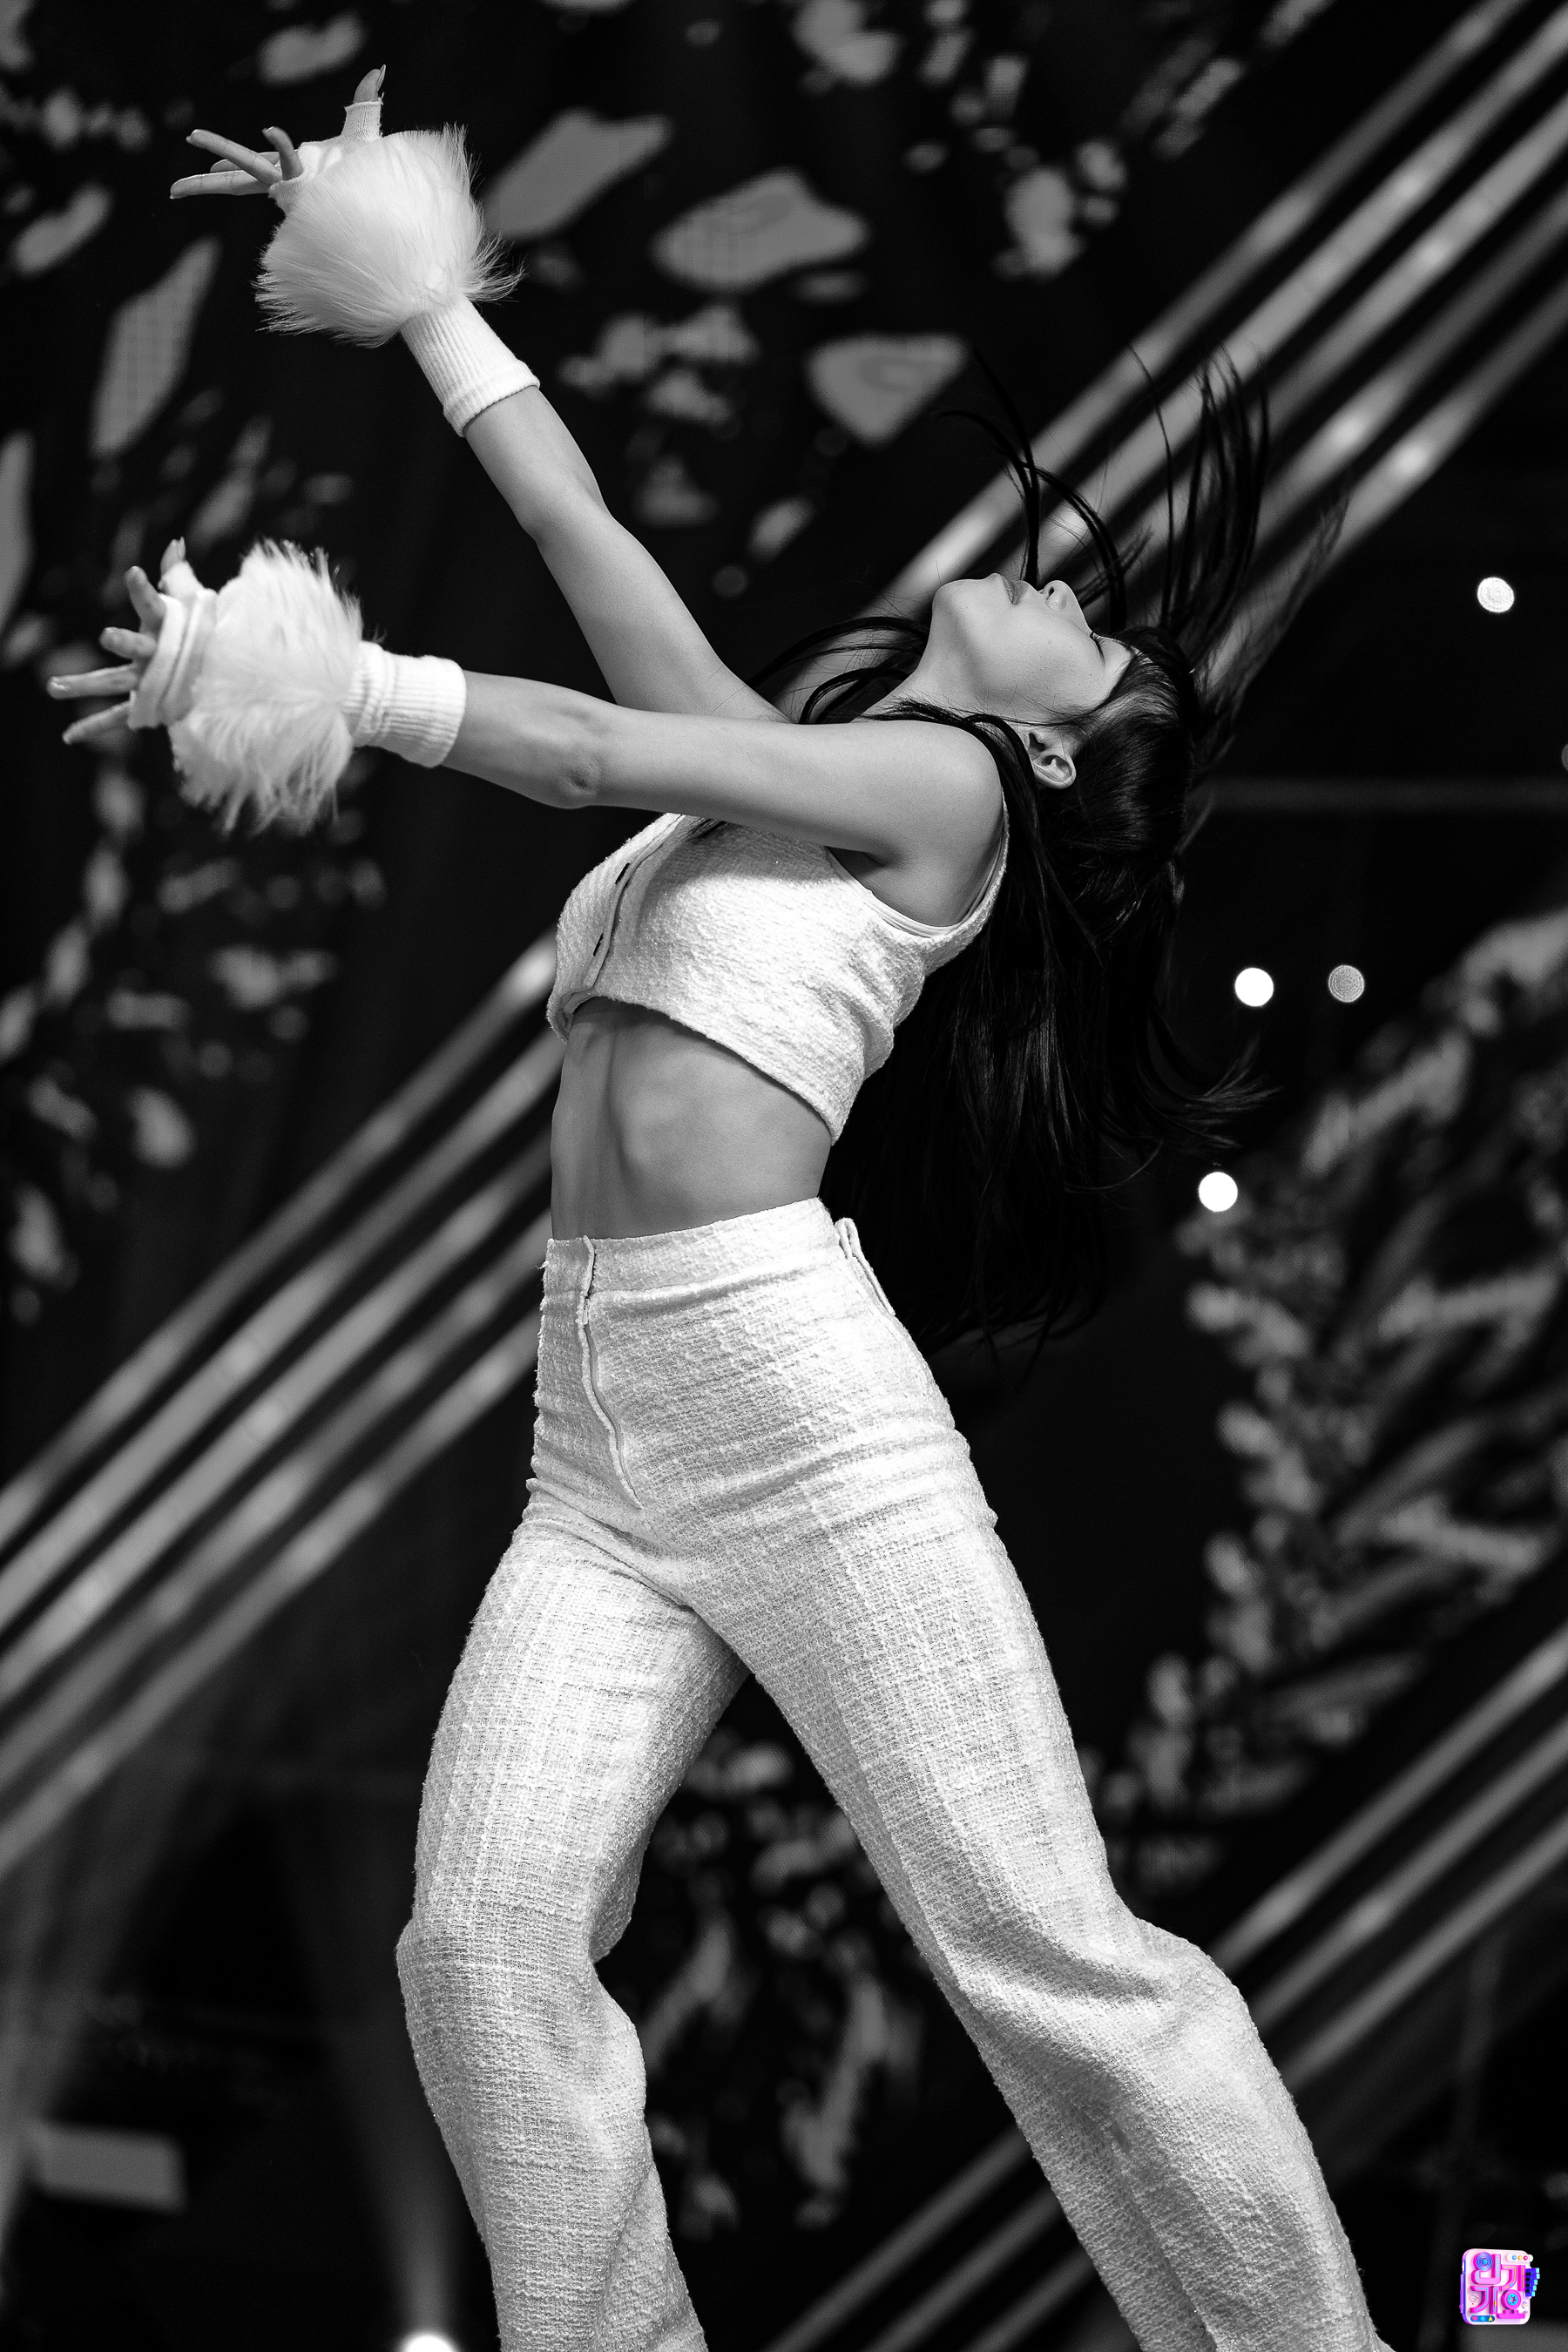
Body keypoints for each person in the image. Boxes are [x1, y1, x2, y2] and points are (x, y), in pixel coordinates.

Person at [51, 74, 1392, 2352]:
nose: (1058, 586)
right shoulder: (791, 772)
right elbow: (582, 533)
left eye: (1091, 636)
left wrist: (311, 680)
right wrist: (418, 290)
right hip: (602, 1419)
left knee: (1050, 1954)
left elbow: (583, 753)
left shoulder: (952, 793)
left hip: (791, 1398)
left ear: (1062, 746)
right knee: (482, 1940)